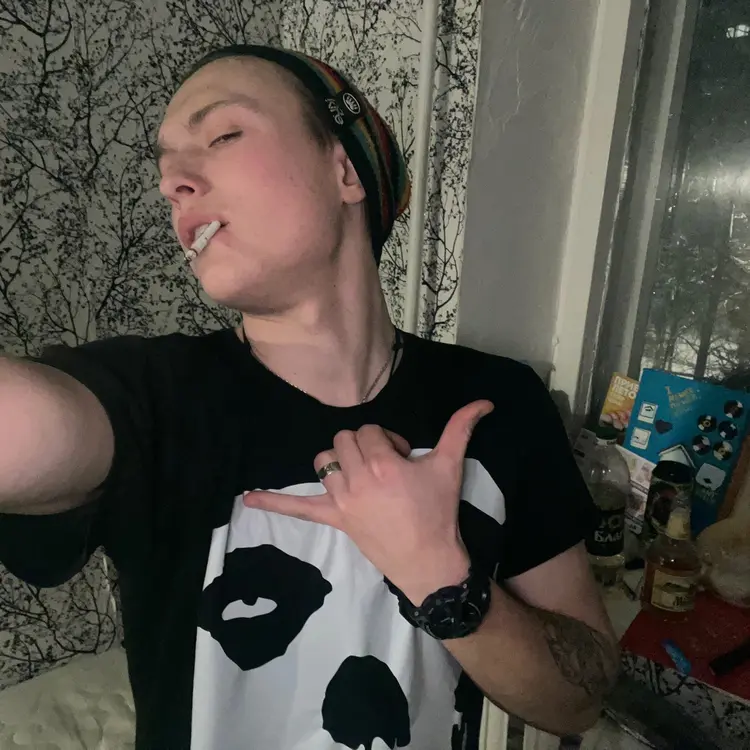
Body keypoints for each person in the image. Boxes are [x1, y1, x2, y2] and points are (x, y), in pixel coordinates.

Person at [0, 45, 618, 750]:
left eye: (223, 134)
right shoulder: (155, 397)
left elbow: (580, 700)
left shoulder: (498, 401)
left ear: (345, 170)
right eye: (165, 167)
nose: (172, 183)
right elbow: (26, 429)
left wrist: (442, 577)